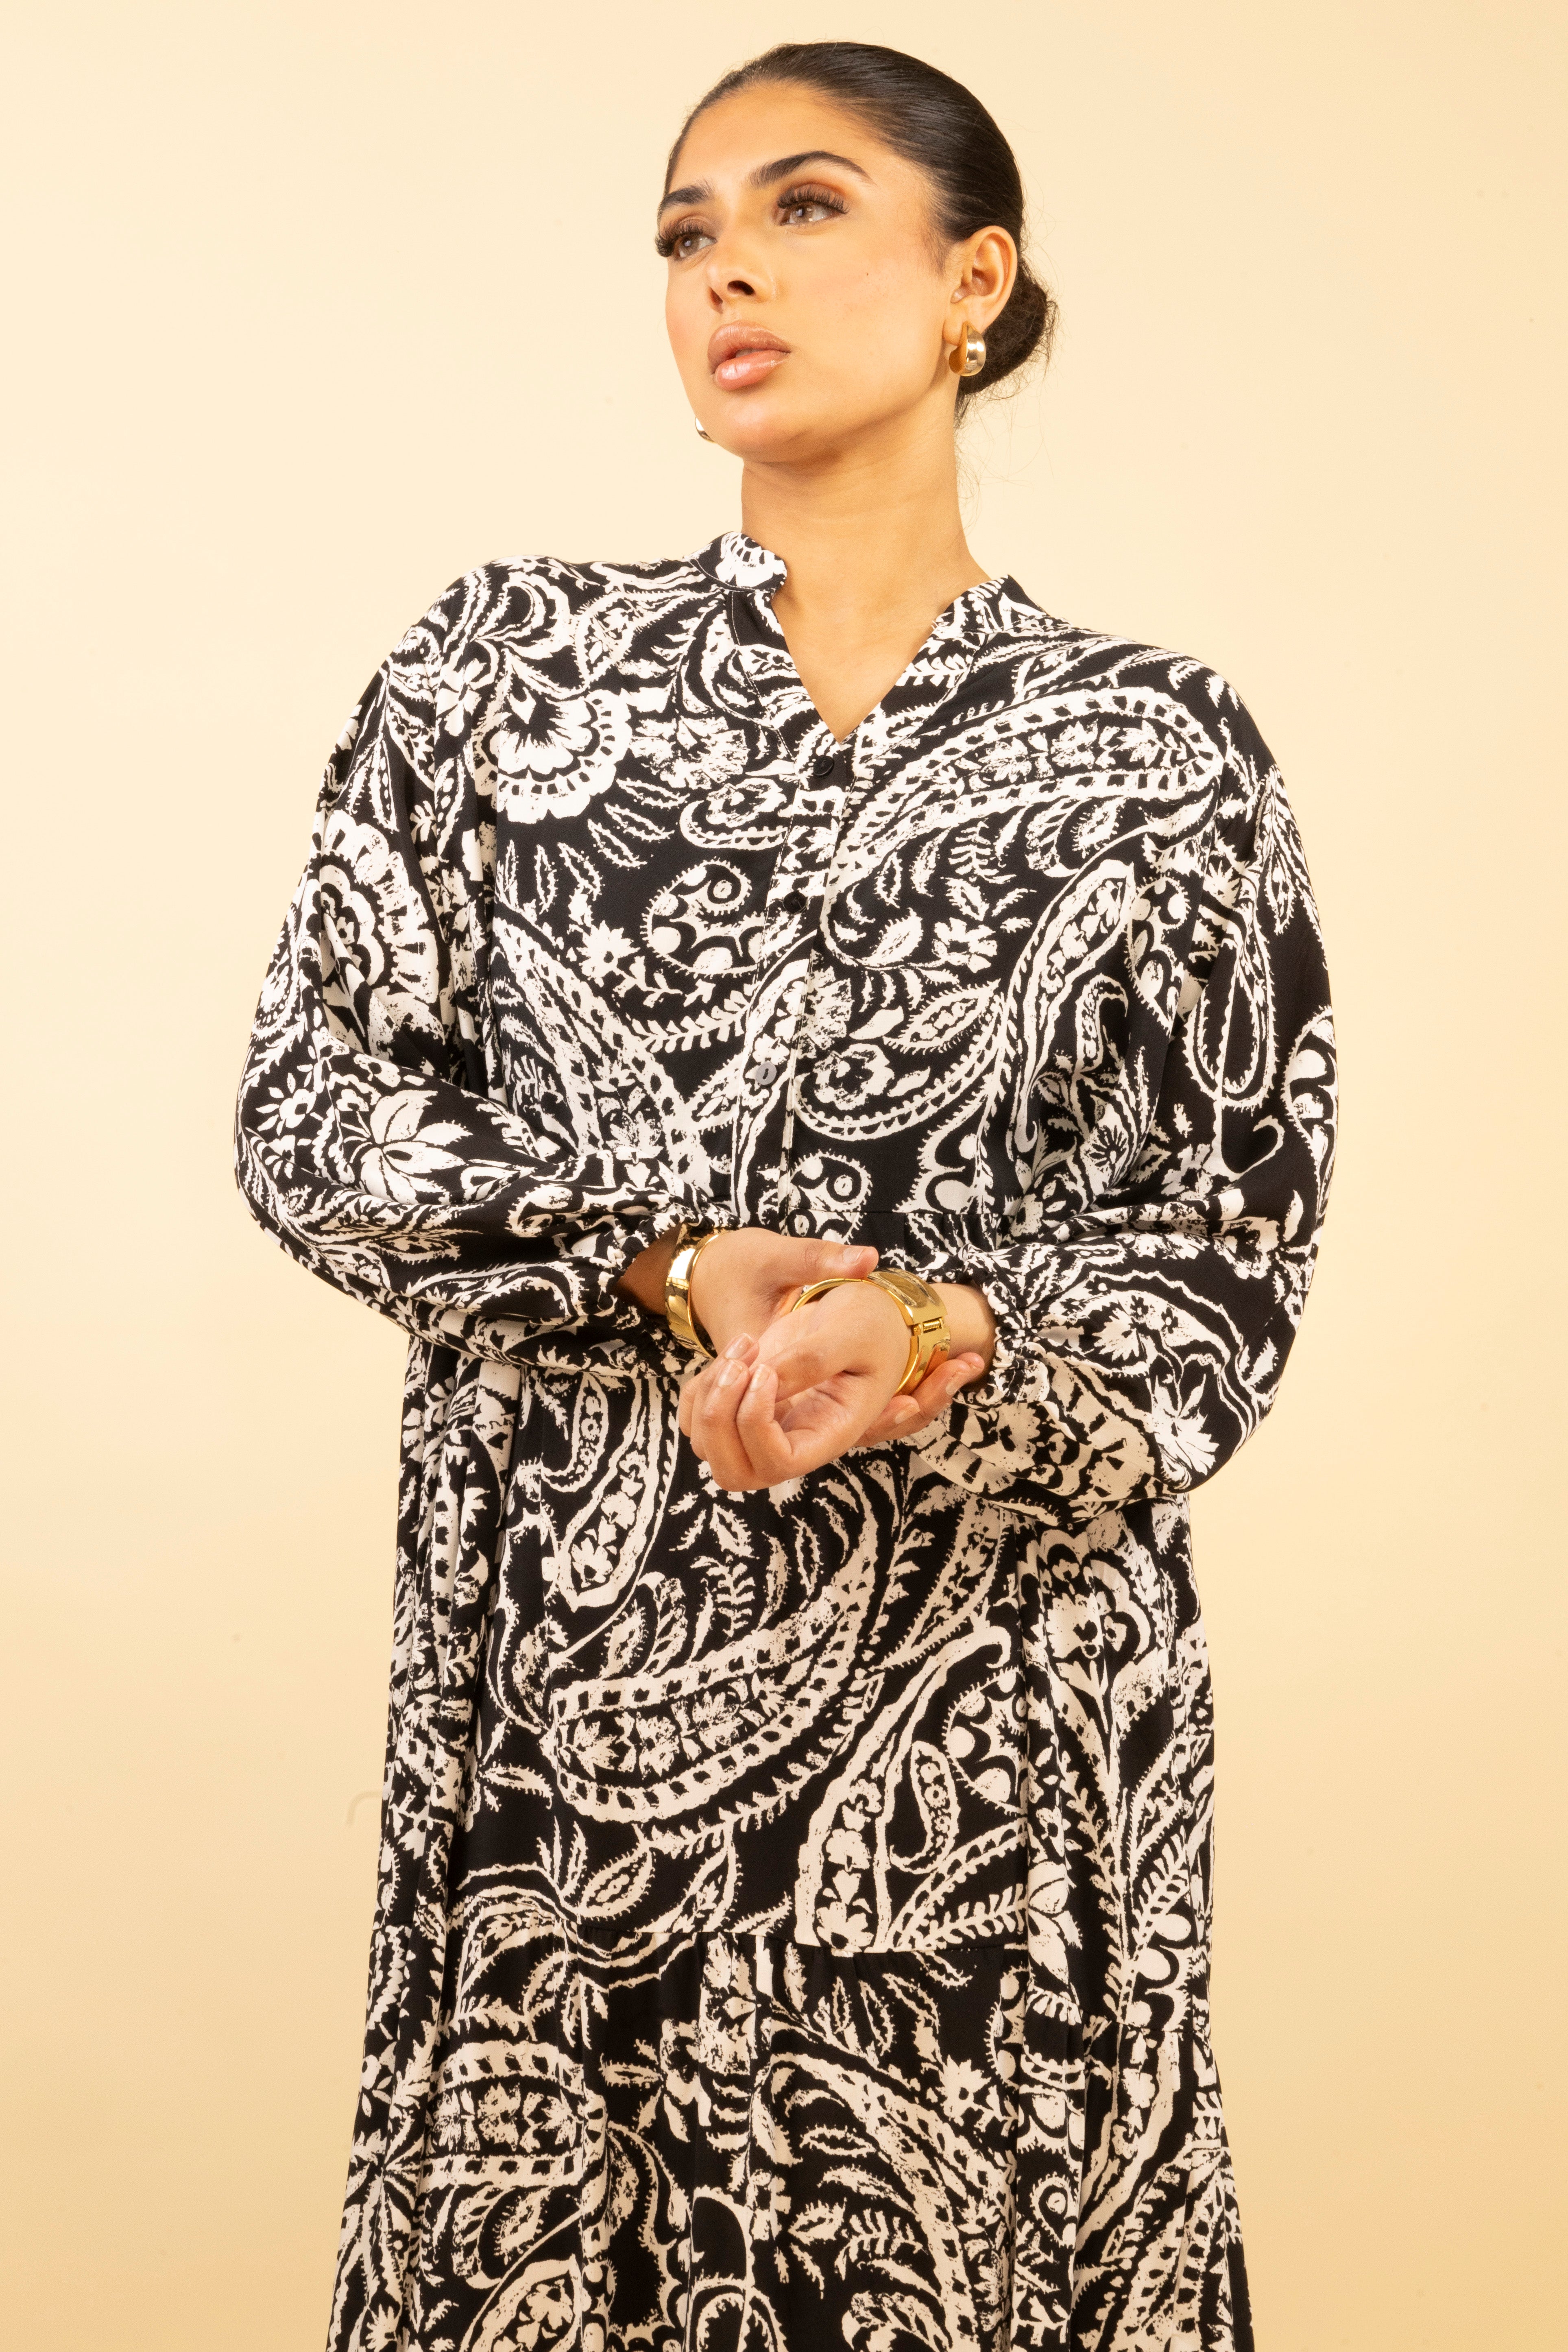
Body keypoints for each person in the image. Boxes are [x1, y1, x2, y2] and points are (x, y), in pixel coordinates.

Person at [236, 39, 1335, 2352]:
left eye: (805, 206)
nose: (724, 264)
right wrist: (660, 1265)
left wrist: (932, 1336)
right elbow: (317, 1114)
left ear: (975, 282)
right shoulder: (499, 681)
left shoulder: (1159, 750)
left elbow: (1220, 1251)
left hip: (996, 1743)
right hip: (564, 1740)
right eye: (685, 231)